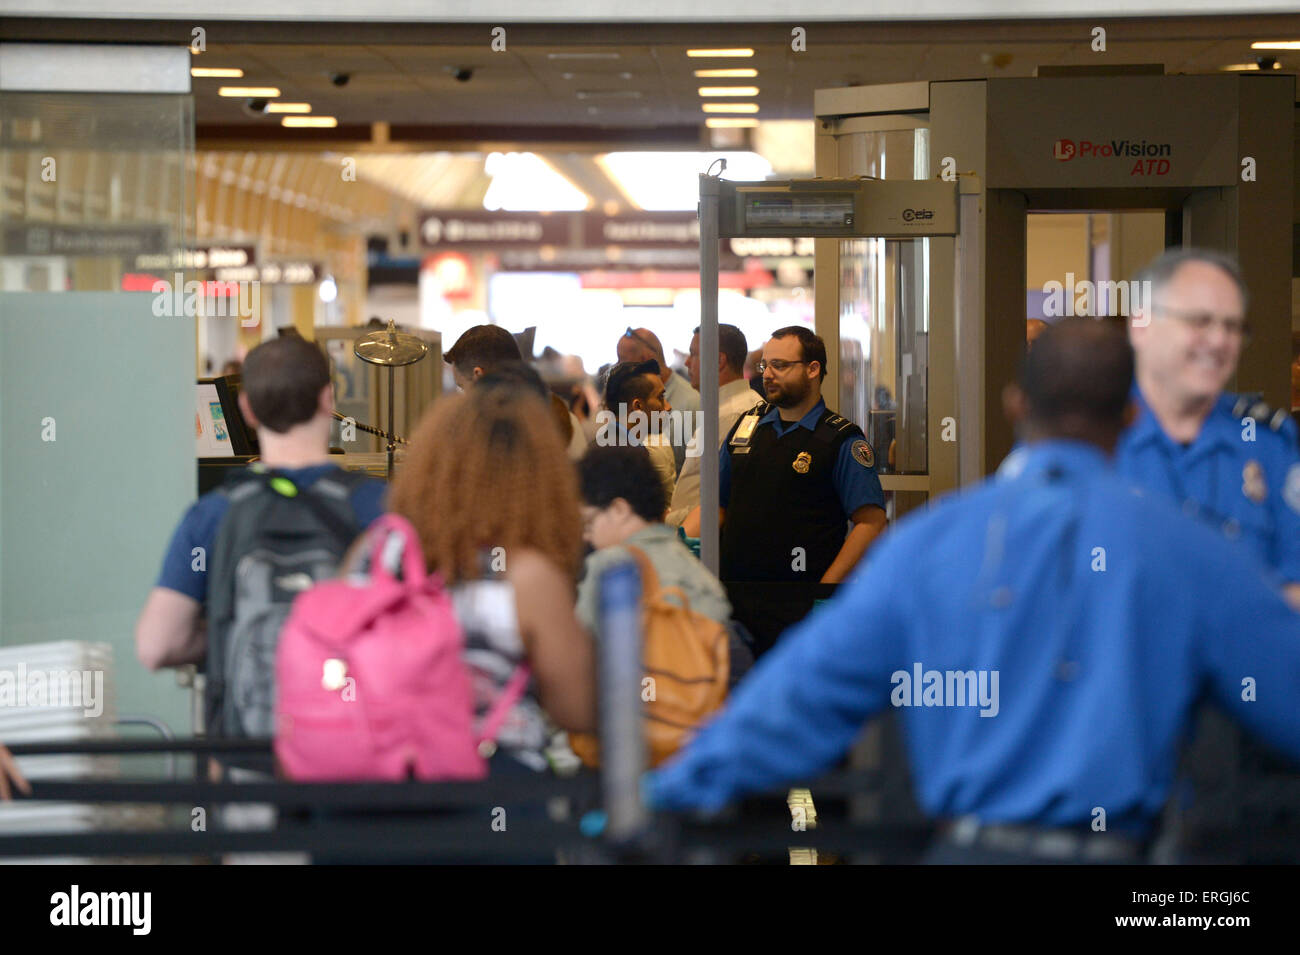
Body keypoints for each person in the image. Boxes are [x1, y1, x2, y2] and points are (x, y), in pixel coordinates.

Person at [649, 319, 1300, 863]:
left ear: (1015, 404)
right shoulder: (1191, 551)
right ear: (1131, 416)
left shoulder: (929, 544)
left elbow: (796, 701)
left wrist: (665, 792)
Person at [136, 336, 386, 673]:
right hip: (346, 717)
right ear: (328, 399)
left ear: (246, 410)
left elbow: (157, 645)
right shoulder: (380, 507)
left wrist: (231, 632)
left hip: (246, 724)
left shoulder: (211, 515)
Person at [386, 383, 596, 772]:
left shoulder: (380, 550)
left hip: (384, 784)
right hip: (495, 794)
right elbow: (578, 710)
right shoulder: (526, 578)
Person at [1117, 248, 1300, 610]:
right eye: (1200, 321)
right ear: (1141, 326)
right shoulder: (1089, 437)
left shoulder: (1267, 443)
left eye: (1232, 326)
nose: (1219, 341)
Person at [691, 326, 886, 655]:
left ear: (812, 370)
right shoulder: (746, 429)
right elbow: (716, 505)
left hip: (800, 603)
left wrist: (827, 590)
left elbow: (870, 521)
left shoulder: (840, 439)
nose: (768, 375)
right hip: (734, 598)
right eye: (766, 366)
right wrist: (677, 546)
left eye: (781, 366)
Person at [575, 445, 732, 635]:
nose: (586, 535)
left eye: (589, 522)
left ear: (619, 510)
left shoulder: (608, 570)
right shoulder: (702, 576)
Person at [665, 324, 764, 528]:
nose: (687, 361)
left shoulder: (733, 414)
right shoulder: (727, 409)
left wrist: (667, 520)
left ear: (719, 361)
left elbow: (720, 500)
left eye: (694, 354)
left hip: (705, 541)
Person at [446, 324, 587, 460]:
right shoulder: (567, 420)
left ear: (478, 376)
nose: (463, 397)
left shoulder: (481, 435)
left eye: (462, 387)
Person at [617, 326, 700, 473]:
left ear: (646, 361)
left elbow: (696, 471)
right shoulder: (625, 400)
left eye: (622, 360)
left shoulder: (692, 403)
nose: (617, 367)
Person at [599, 360, 677, 510]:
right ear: (638, 407)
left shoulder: (616, 446)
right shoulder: (624, 458)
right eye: (660, 397)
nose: (668, 407)